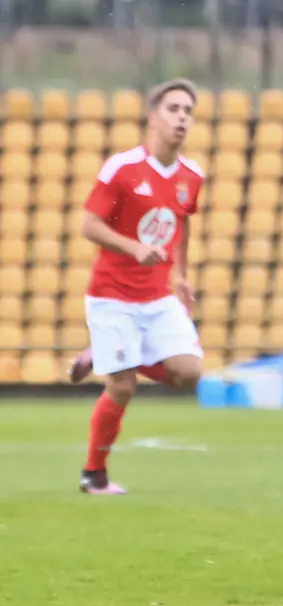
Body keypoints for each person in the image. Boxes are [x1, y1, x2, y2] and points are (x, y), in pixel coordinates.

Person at [75, 78, 206, 495]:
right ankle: (94, 475)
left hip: (157, 296)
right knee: (122, 386)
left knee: (189, 373)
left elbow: (182, 222)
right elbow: (89, 225)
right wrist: (133, 247)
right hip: (111, 295)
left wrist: (180, 274)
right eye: (173, 109)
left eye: (188, 111)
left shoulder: (192, 175)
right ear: (153, 117)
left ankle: (105, 354)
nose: (182, 118)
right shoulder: (122, 168)